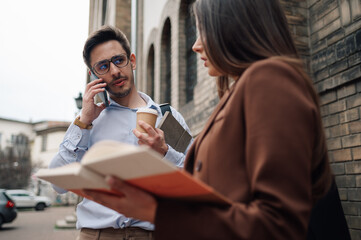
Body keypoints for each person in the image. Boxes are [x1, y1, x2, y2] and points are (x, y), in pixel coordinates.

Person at [82, 0, 337, 239]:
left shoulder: (268, 80)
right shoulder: (240, 90)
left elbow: (277, 223)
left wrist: (156, 211)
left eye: (202, 30)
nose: (195, 45)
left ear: (232, 28)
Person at [49, 26, 192, 240]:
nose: (115, 71)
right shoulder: (88, 121)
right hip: (97, 235)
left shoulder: (167, 117)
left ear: (132, 61)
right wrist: (83, 122)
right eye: (103, 66)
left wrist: (165, 152)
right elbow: (58, 184)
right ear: (94, 75)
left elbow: (195, 180)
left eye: (119, 60)